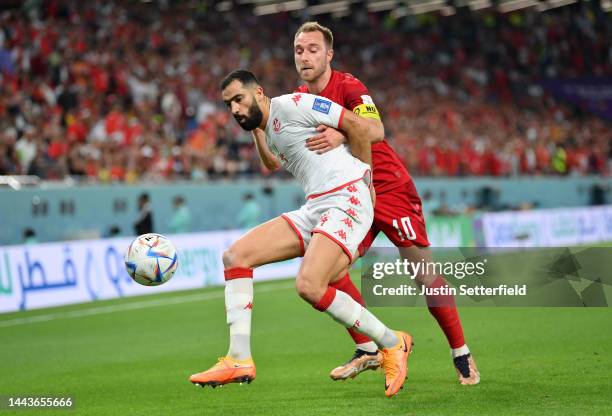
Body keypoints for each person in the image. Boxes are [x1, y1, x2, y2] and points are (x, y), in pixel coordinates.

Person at [189, 70, 412, 398]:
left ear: (259, 92)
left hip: (348, 196)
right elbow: (271, 163)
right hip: (317, 206)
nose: (234, 109)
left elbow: (359, 127)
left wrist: (367, 180)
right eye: (228, 105)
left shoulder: (295, 104)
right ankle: (238, 359)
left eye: (239, 99)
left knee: (309, 285)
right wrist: (255, 127)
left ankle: (393, 343)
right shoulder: (270, 128)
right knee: (235, 256)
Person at [292, 22, 479, 385]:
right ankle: (369, 349)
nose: (305, 56)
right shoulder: (299, 97)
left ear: (329, 54)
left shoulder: (348, 86)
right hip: (349, 196)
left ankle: (461, 354)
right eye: (299, 50)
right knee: (327, 274)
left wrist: (341, 130)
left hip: (389, 189)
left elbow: (376, 130)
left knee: (423, 274)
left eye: (313, 49)